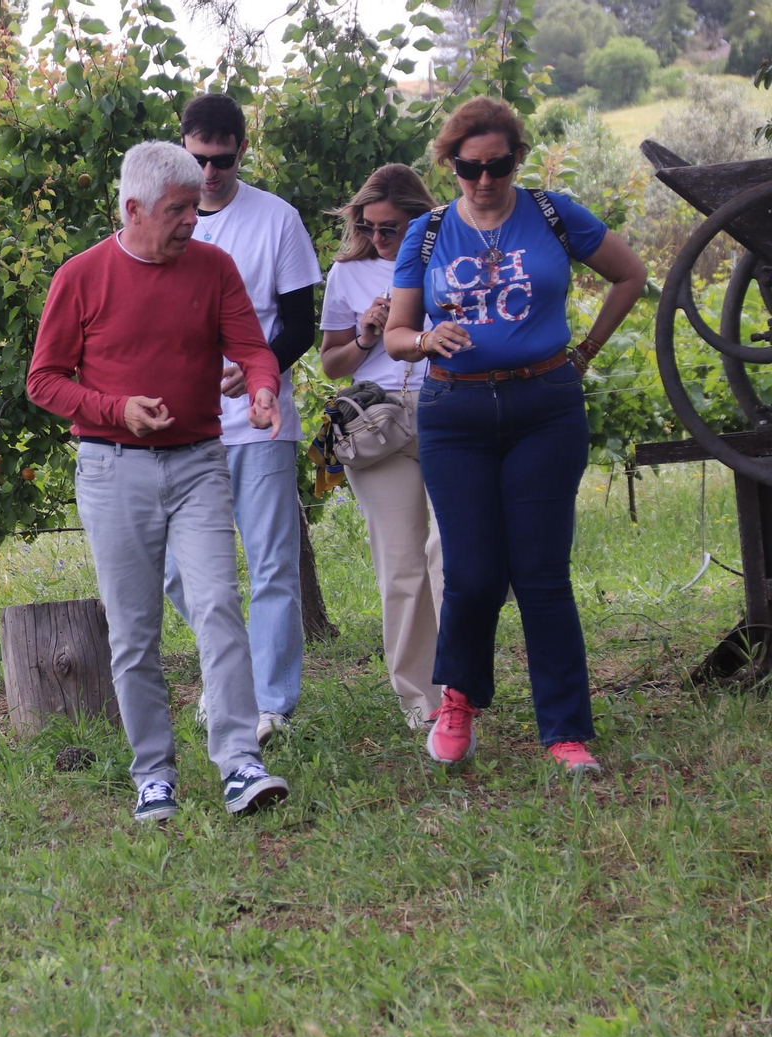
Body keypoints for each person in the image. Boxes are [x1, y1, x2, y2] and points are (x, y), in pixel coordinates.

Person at [382, 98, 647, 773]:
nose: (485, 179)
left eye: (498, 165)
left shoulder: (554, 214)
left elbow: (631, 274)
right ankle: (458, 700)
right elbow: (396, 334)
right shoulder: (429, 231)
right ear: (450, 166)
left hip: (544, 407)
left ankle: (564, 731)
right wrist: (422, 339)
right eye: (470, 168)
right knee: (471, 575)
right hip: (455, 413)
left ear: (516, 160)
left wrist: (584, 349)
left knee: (541, 574)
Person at [27, 141, 290, 821]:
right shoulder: (81, 277)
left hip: (200, 460)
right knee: (135, 631)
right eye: (178, 211)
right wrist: (117, 410)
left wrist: (262, 390)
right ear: (134, 209)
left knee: (218, 608)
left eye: (195, 210)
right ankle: (154, 773)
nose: (192, 222)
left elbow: (253, 347)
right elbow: (45, 382)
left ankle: (239, 761)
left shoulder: (213, 268)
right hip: (113, 470)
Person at [162, 93, 323, 746]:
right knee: (174, 567)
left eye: (221, 160)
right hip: (183, 424)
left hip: (259, 421)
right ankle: (233, 677)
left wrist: (256, 366)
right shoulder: (163, 222)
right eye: (197, 158)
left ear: (241, 151)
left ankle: (272, 704)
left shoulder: (277, 221)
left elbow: (299, 326)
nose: (208, 173)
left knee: (272, 565)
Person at [318, 165, 444, 732]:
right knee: (402, 569)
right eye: (367, 228)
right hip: (382, 424)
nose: (377, 240)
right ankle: (423, 705)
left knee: (451, 559)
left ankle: (464, 688)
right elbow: (331, 364)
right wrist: (368, 334)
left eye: (388, 228)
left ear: (419, 218)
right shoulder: (348, 274)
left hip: (450, 410)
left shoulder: (452, 255)